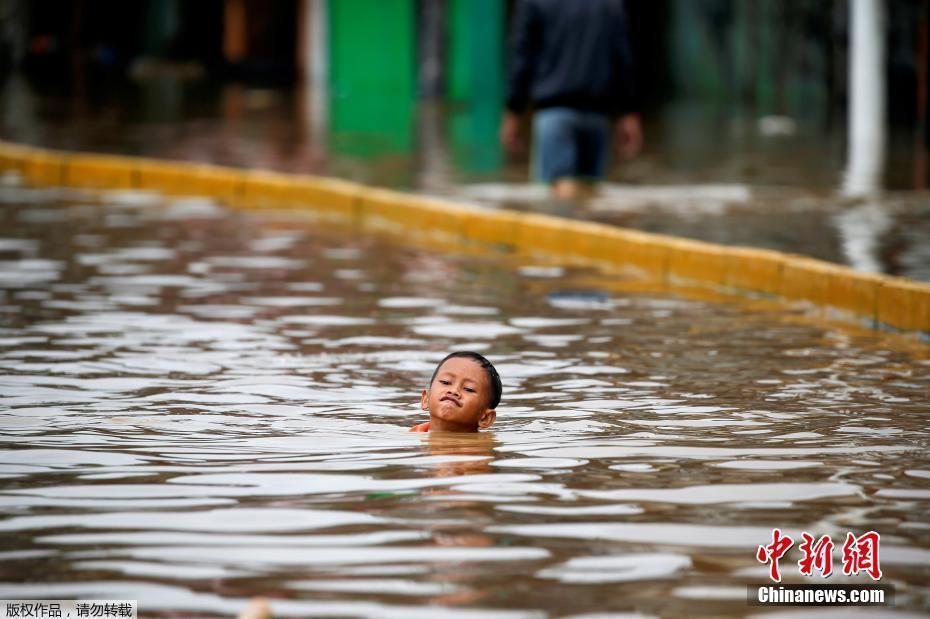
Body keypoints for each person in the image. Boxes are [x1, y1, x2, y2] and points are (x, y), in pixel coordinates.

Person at [500, 0, 643, 200]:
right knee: (591, 194)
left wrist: (513, 111)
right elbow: (622, 57)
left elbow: (523, 58)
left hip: (555, 112)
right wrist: (629, 112)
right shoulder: (609, 4)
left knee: (560, 191)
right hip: (597, 117)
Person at [410, 351, 502, 433]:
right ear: (426, 399)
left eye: (468, 389)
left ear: (485, 418)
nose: (454, 391)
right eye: (446, 382)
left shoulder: (482, 447)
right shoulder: (413, 436)